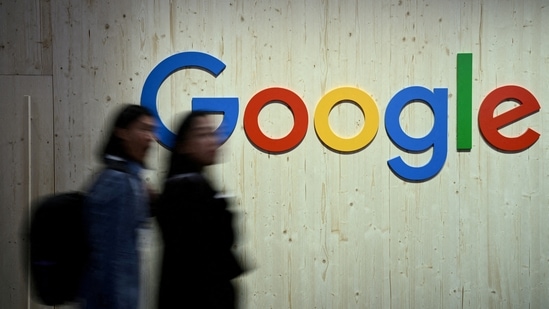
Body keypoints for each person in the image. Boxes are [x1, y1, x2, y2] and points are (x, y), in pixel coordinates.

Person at [156, 111, 244, 309]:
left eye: (213, 133)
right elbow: (211, 249)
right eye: (203, 134)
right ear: (184, 145)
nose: (213, 140)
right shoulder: (188, 189)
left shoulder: (186, 184)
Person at [79, 104, 156, 309]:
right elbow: (115, 261)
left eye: (152, 131)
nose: (151, 138)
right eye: (144, 129)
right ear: (121, 132)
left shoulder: (126, 179)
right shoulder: (120, 182)